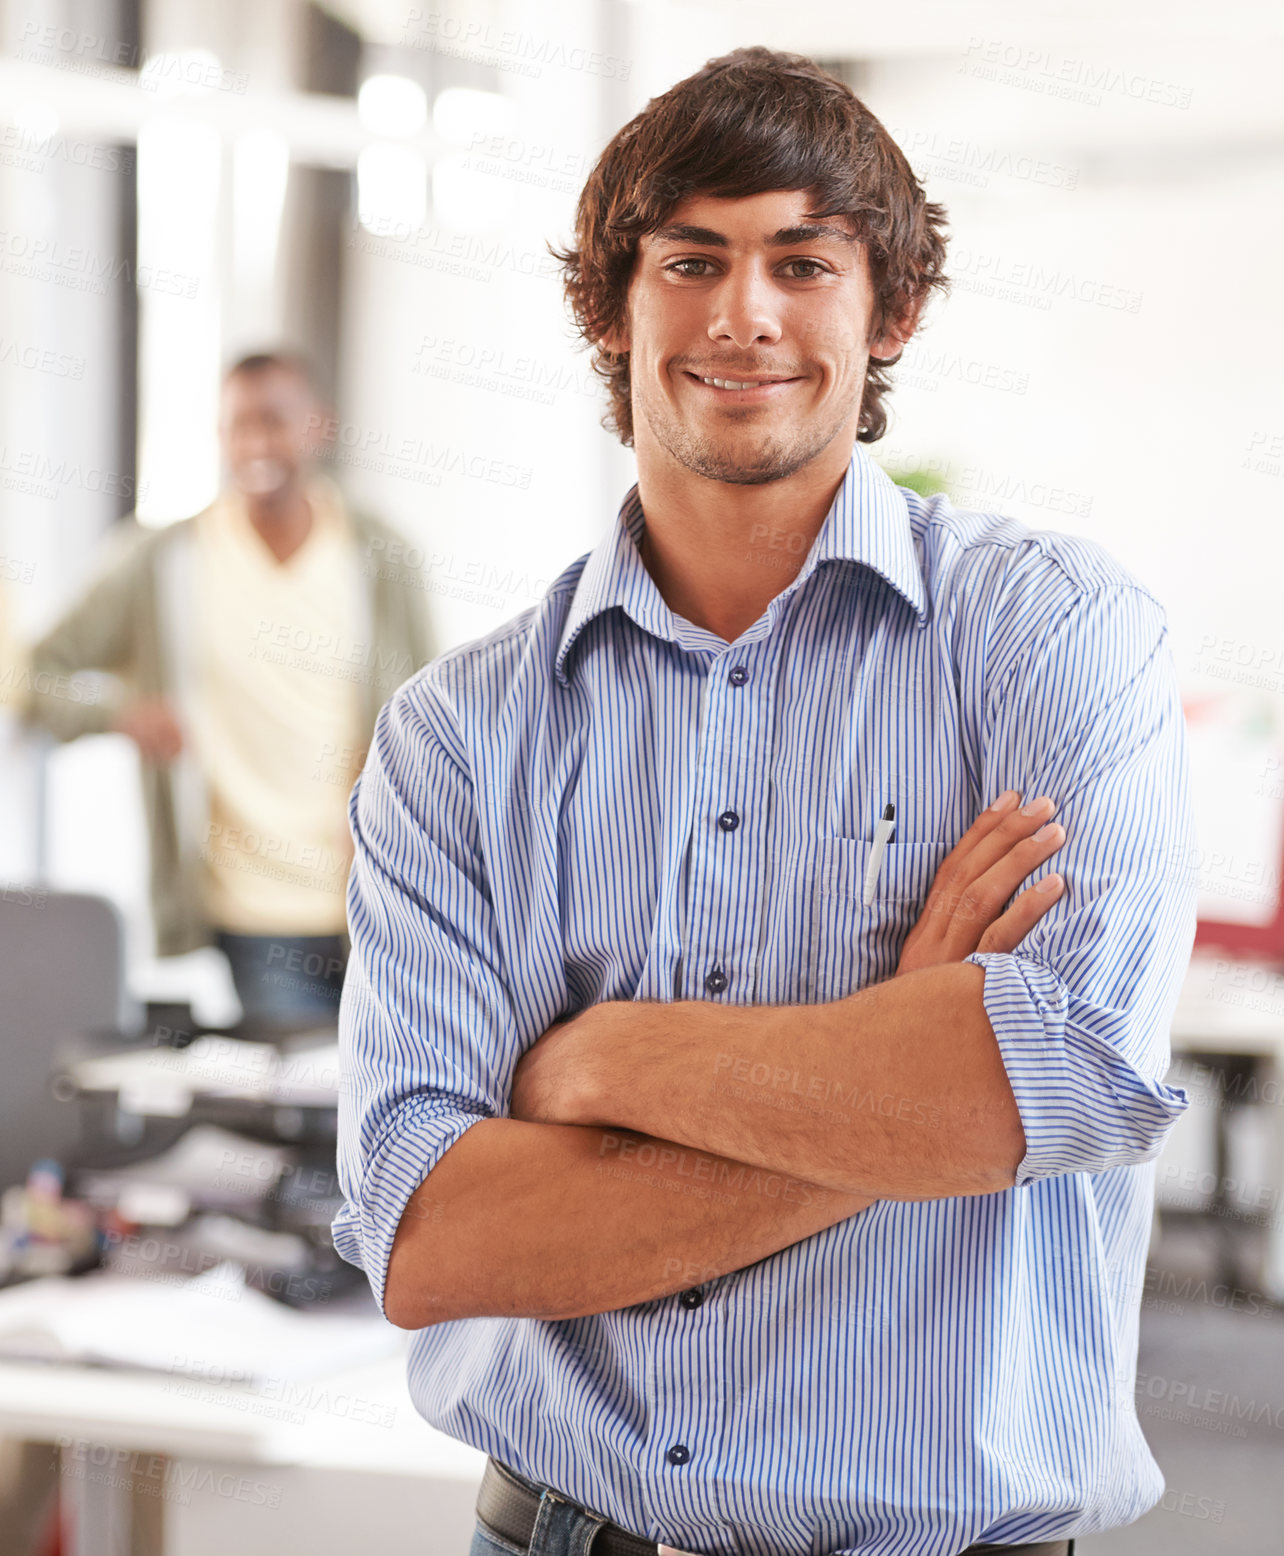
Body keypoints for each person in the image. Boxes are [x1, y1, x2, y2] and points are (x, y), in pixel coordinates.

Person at [333, 47, 1195, 1556]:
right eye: (692, 259)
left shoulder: (1050, 639)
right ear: (609, 306)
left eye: (804, 260)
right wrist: (892, 1077)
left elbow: (1055, 1084)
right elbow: (432, 1237)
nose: (745, 315)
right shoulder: (457, 737)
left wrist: (603, 1060)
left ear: (894, 309)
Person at [24, 351, 436, 1029]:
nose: (253, 445)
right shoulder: (161, 561)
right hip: (252, 912)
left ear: (317, 428)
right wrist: (119, 712)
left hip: (378, 899)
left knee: (386, 1110)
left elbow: (434, 715)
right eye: (235, 427)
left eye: (273, 422)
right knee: (299, 1117)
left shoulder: (383, 556)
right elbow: (34, 674)